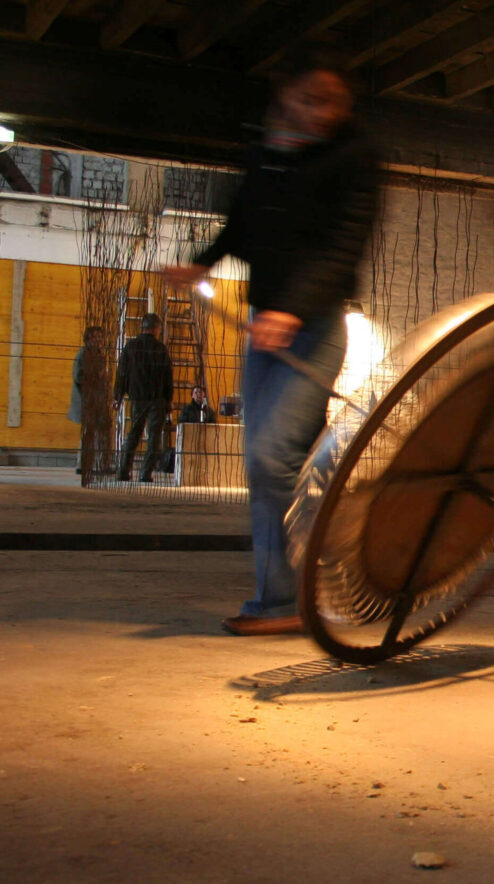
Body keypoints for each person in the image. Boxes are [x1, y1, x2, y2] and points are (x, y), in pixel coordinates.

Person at [166, 45, 379, 637]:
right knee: (264, 465)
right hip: (266, 323)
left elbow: (342, 249)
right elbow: (244, 223)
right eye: (309, 100)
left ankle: (295, 593)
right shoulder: (267, 152)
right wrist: (201, 263)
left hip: (314, 326)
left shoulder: (355, 158)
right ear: (284, 94)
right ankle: (281, 597)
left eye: (333, 103)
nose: (321, 114)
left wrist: (292, 308)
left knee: (272, 456)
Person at [112, 313, 173, 483]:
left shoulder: (131, 346)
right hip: (157, 398)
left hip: (137, 397)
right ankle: (145, 474)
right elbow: (168, 376)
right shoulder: (161, 349)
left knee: (133, 434)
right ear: (156, 329)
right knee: (154, 437)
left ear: (143, 327)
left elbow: (122, 373)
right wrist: (169, 399)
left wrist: (117, 395)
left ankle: (124, 472)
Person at [70, 325, 113, 482]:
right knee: (88, 433)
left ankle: (100, 464)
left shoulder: (100, 355)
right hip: (88, 400)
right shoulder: (83, 354)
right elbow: (79, 377)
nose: (99, 340)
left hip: (98, 399)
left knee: (102, 431)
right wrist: (97, 377)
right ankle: (83, 464)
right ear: (88, 339)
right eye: (95, 337)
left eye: (100, 337)